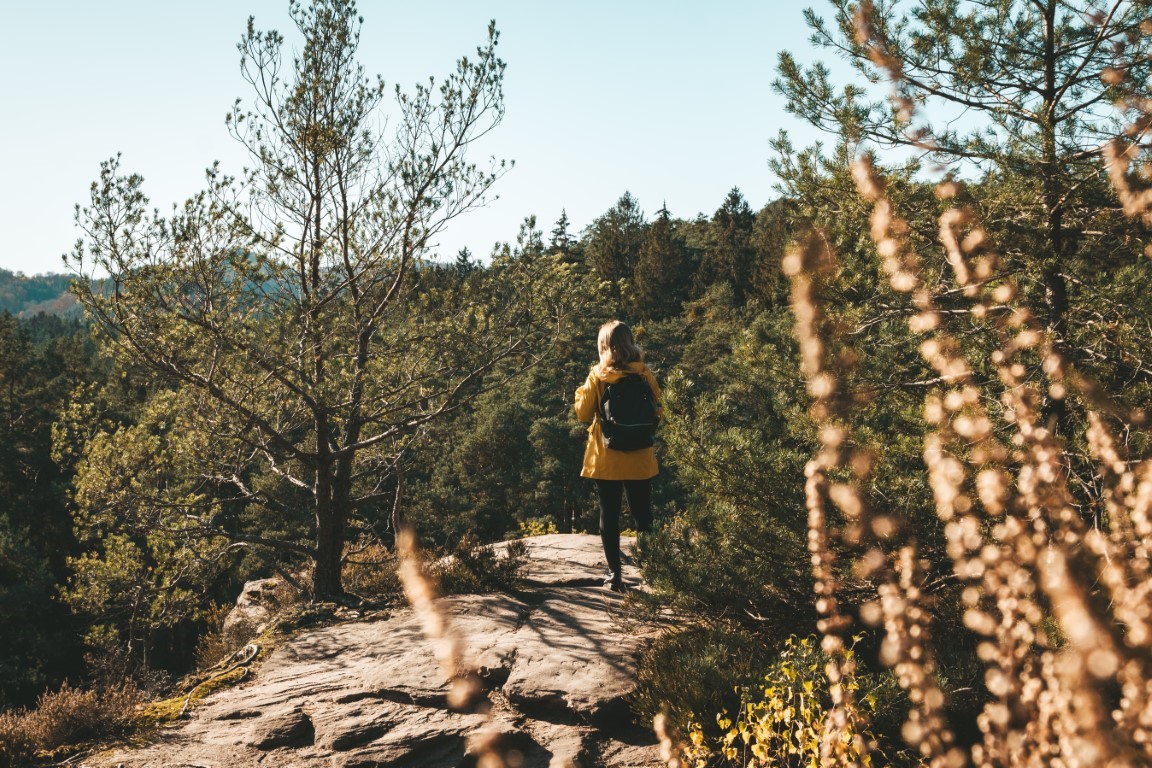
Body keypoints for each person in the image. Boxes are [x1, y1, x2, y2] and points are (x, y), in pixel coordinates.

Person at [574, 320, 662, 592]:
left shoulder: (598, 375)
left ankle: (615, 576)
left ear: (604, 346)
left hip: (606, 455)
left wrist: (583, 391)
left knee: (609, 515)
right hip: (639, 455)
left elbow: (583, 413)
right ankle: (653, 573)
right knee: (643, 516)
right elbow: (660, 411)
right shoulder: (644, 373)